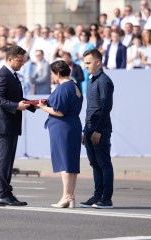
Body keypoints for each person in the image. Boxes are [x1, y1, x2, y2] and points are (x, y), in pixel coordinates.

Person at [0, 45, 35, 207]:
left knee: (8, 160)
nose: (22, 64)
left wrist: (32, 104)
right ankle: (2, 194)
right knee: (4, 160)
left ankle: (6, 193)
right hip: (5, 124)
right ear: (10, 59)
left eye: (23, 61)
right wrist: (17, 106)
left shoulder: (13, 75)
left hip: (11, 123)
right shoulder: (2, 75)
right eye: (19, 61)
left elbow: (16, 97)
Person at [36, 60, 83, 208]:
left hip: (63, 127)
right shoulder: (74, 85)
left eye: (52, 73)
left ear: (57, 73)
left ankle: (66, 197)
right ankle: (70, 197)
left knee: (65, 163)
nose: (51, 76)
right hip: (72, 125)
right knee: (71, 164)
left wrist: (43, 107)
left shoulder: (64, 87)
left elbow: (59, 111)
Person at [80, 49, 114, 209]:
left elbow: (106, 107)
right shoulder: (91, 80)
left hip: (100, 129)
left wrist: (98, 130)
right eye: (85, 62)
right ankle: (97, 196)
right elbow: (90, 108)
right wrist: (84, 130)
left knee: (104, 163)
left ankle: (106, 199)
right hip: (89, 128)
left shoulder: (104, 81)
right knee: (94, 164)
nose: (85, 66)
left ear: (98, 62)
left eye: (88, 63)